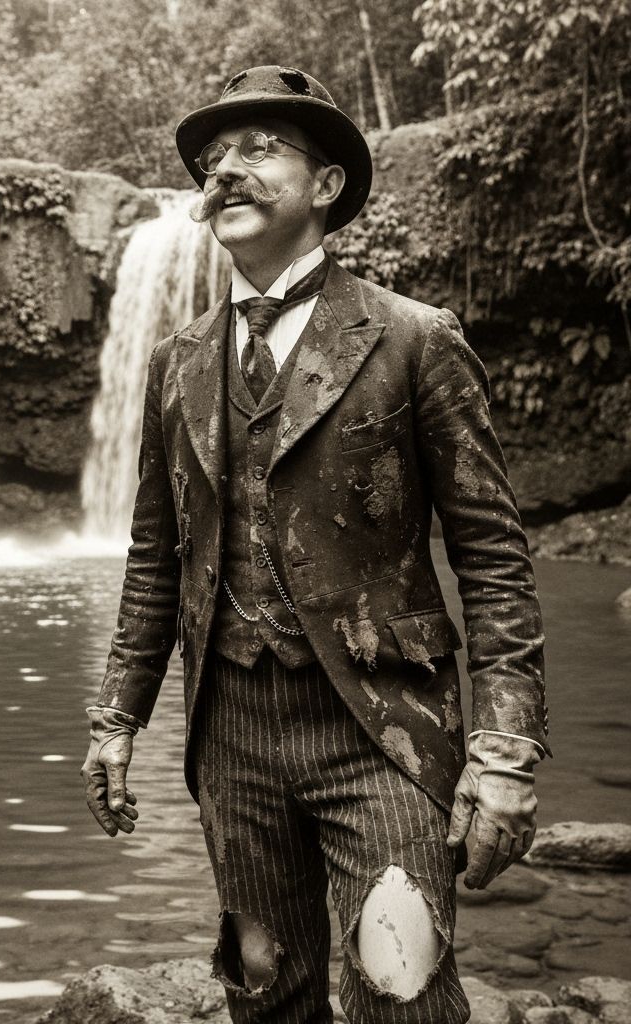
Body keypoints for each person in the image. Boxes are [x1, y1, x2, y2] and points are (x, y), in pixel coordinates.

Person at [81, 65, 549, 1024]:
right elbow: (153, 557)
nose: (227, 172)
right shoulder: (176, 361)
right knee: (263, 990)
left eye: (259, 149)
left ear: (327, 186)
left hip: (384, 728)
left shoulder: (418, 339)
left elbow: (494, 558)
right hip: (230, 732)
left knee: (402, 989)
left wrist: (503, 752)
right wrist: (116, 719)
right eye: (214, 160)